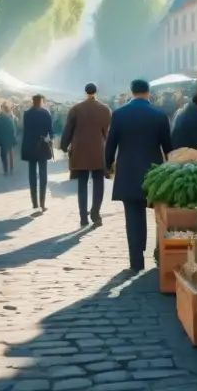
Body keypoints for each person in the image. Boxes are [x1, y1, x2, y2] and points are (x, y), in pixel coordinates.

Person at [105, 79, 173, 272]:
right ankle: (159, 254)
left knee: (133, 216)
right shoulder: (160, 116)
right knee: (160, 216)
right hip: (155, 174)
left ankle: (136, 260)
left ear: (131, 91)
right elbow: (169, 147)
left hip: (128, 172)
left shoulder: (119, 115)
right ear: (148, 92)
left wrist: (107, 165)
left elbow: (110, 144)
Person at [60, 83, 112, 228]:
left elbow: (68, 129)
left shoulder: (76, 109)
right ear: (96, 92)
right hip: (98, 150)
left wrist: (64, 146)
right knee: (98, 182)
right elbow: (107, 133)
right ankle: (95, 213)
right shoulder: (104, 109)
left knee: (82, 184)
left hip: (80, 150)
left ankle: (83, 217)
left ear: (85, 92)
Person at [21, 94, 54, 212]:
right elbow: (51, 132)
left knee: (32, 176)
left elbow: (25, 132)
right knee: (43, 175)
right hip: (43, 147)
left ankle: (34, 203)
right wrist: (48, 139)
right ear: (41, 101)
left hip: (30, 147)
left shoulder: (27, 114)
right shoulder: (46, 114)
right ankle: (42, 203)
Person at [0, 102, 17, 175]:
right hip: (10, 138)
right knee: (10, 153)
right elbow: (13, 129)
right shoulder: (10, 117)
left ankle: (5, 169)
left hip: (2, 140)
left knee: (3, 155)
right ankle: (11, 168)